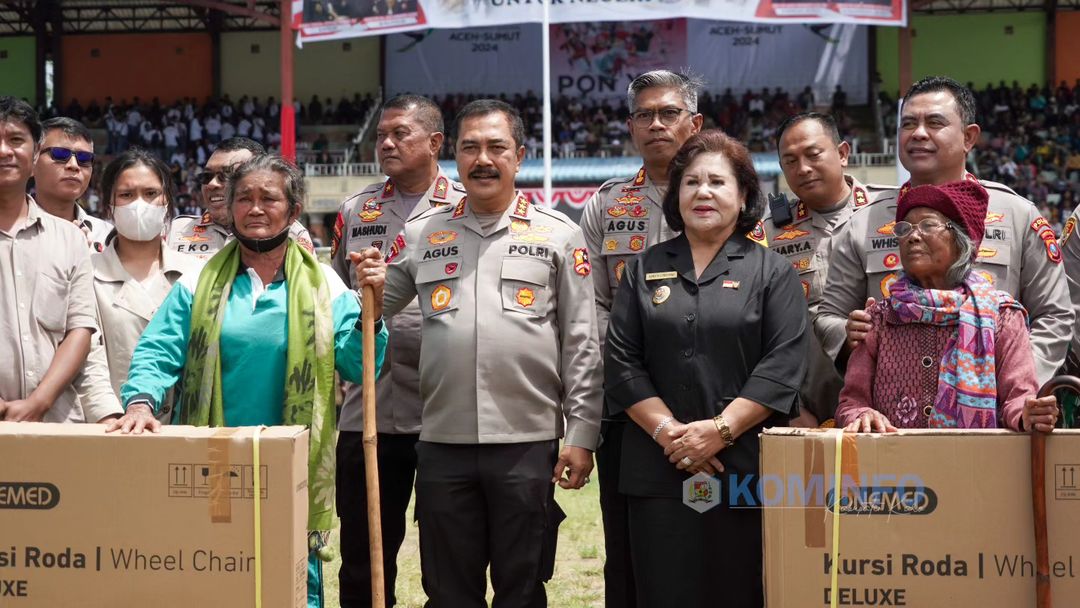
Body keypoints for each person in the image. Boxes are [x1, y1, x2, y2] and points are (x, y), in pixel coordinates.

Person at [108, 154, 388, 608]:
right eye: (245, 198)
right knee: (214, 571)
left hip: (290, 464)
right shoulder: (199, 281)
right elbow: (159, 350)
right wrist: (140, 401)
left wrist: (371, 312)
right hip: (212, 461)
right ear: (231, 207)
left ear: (293, 210)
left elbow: (360, 367)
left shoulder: (328, 288)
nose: (255, 208)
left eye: (268, 198)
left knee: (291, 579)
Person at [354, 99, 601, 607]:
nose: (482, 159)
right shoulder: (424, 233)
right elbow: (377, 307)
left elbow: (581, 341)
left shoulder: (560, 234)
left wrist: (581, 436)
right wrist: (371, 282)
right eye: (470, 147)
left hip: (527, 442)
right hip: (442, 442)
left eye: (496, 147)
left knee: (522, 586)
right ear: (455, 157)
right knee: (448, 590)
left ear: (520, 156)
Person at [604, 130, 808, 607]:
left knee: (740, 588)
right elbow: (621, 360)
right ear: (676, 196)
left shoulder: (772, 271)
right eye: (691, 182)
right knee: (661, 589)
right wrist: (670, 434)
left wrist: (719, 431)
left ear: (743, 196)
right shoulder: (642, 268)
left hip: (744, 468)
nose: (703, 192)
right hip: (657, 467)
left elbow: (783, 362)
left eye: (718, 181)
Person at [820, 76, 1072, 386]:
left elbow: (1055, 316)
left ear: (969, 137)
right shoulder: (863, 223)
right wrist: (848, 335)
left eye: (935, 122)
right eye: (908, 124)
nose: (918, 134)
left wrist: (1014, 382)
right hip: (894, 413)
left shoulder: (1018, 215)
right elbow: (829, 315)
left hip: (995, 413)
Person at [329, 94, 465, 607]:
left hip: (445, 411)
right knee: (364, 553)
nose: (385, 143)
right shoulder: (356, 209)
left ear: (434, 142)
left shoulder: (463, 205)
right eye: (380, 134)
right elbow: (343, 300)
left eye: (399, 134)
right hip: (371, 408)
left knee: (448, 554)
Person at [578, 69, 702, 608]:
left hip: (710, 401)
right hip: (627, 406)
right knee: (625, 544)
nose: (657, 124)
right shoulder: (604, 206)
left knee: (710, 536)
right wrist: (634, 355)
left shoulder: (730, 195)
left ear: (694, 123)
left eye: (669, 113)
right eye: (644, 115)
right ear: (630, 127)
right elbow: (592, 305)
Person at [835, 181, 1059, 433]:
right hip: (896, 467)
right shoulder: (879, 318)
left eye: (928, 225)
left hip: (976, 466)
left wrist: (1027, 414)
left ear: (961, 241)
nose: (912, 236)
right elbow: (851, 402)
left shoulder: (1003, 317)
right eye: (904, 228)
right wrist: (862, 414)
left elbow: (1017, 399)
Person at [754, 112, 874, 426]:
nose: (803, 168)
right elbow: (758, 330)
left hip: (892, 403)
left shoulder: (887, 214)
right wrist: (789, 408)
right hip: (811, 412)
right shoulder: (767, 234)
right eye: (790, 161)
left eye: (813, 154)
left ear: (843, 153)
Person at [80, 149, 203, 424]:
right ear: (108, 206)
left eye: (150, 194)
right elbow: (87, 357)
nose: (139, 204)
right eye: (126, 195)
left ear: (168, 203)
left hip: (184, 431)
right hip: (109, 427)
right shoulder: (85, 271)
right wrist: (109, 416)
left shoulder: (196, 274)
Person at [0, 97, 97, 422]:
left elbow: (80, 328)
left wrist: (38, 403)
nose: (5, 151)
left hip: (56, 422)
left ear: (33, 152)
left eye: (16, 140)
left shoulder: (70, 239)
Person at [165, 137, 313, 259]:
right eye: (207, 176)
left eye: (227, 175)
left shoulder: (290, 234)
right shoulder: (176, 230)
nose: (212, 184)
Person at [33, 117, 113, 251]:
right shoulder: (9, 230)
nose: (74, 165)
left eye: (84, 158)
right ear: (33, 160)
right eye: (60, 154)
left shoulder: (108, 238)